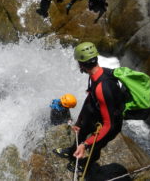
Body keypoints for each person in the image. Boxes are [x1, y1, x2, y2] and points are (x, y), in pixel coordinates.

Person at [53, 42, 124, 174]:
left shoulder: (103, 88)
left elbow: (109, 125)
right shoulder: (97, 75)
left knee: (94, 148)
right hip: (97, 115)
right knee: (81, 131)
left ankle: (85, 164)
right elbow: (90, 99)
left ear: (82, 64)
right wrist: (79, 121)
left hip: (109, 124)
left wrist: (86, 144)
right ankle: (72, 151)